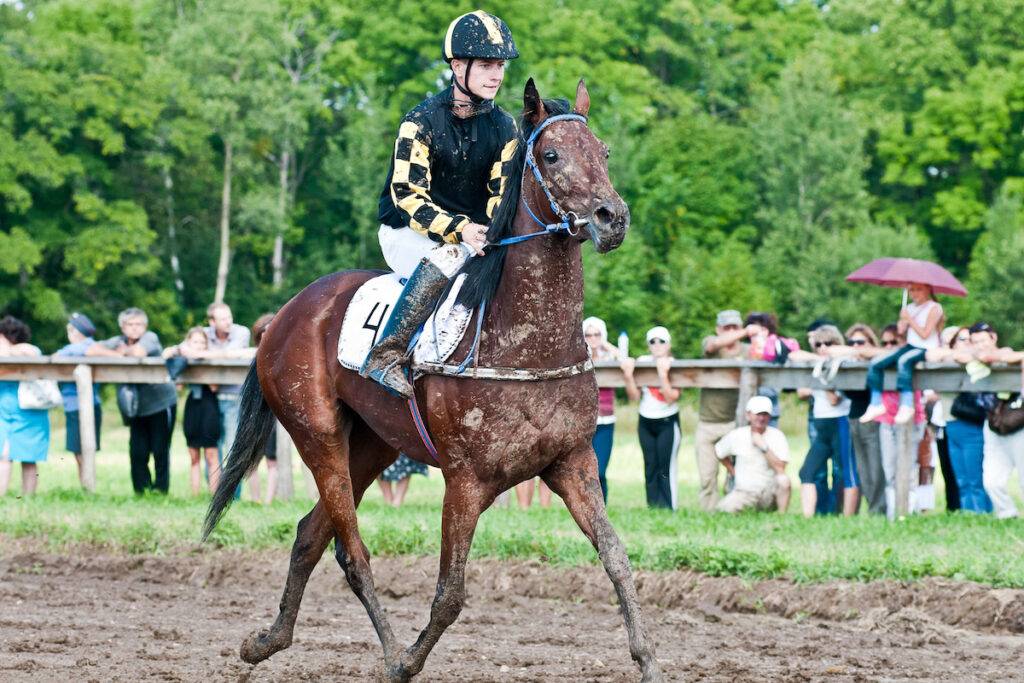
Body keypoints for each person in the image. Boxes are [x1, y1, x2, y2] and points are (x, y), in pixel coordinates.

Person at [360, 11, 520, 399]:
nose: (496, 75)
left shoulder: (507, 127)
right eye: (485, 65)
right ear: (456, 65)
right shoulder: (419, 123)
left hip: (472, 236)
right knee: (449, 259)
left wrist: (492, 233)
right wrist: (462, 230)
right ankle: (385, 354)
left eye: (499, 65)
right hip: (405, 232)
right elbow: (408, 198)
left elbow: (501, 196)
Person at [87, 308, 178, 494]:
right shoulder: (116, 342)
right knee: (138, 451)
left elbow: (138, 352)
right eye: (130, 325)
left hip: (161, 403)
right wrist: (119, 355)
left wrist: (124, 352)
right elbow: (91, 350)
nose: (135, 329)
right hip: (136, 407)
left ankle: (160, 491)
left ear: (145, 327)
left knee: (160, 450)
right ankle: (141, 491)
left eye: (139, 324)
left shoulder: (151, 337)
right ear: (122, 327)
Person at [860, 282, 944, 425]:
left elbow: (925, 334)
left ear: (928, 289)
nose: (915, 293)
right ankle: (875, 403)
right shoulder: (909, 308)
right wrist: (902, 322)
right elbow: (902, 332)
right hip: (910, 346)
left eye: (919, 289)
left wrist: (909, 319)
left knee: (904, 361)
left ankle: (907, 404)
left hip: (926, 348)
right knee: (877, 363)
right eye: (912, 290)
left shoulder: (934, 308)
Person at [797, 325, 857, 517]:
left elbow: (834, 399)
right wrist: (818, 360)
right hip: (821, 424)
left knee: (846, 472)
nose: (822, 348)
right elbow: (794, 356)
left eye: (828, 344)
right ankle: (808, 517)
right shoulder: (817, 364)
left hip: (839, 423)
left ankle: (848, 516)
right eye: (818, 344)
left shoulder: (842, 365)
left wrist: (821, 380)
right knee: (807, 472)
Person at [869, 324, 927, 519]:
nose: (889, 346)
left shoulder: (909, 362)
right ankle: (893, 514)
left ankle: (908, 512)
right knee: (890, 470)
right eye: (884, 342)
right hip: (887, 420)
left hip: (912, 420)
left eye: (894, 342)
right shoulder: (883, 363)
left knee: (909, 469)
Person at [696, 309, 751, 511]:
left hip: (735, 422)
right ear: (718, 329)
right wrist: (745, 331)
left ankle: (732, 510)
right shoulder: (712, 342)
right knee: (707, 476)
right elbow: (712, 345)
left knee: (736, 473)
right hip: (707, 422)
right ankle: (708, 514)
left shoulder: (748, 350)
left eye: (734, 327)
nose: (730, 331)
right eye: (726, 327)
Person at [621, 326, 680, 510]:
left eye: (661, 341)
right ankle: (653, 506)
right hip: (646, 419)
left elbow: (671, 398)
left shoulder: (674, 363)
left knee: (665, 466)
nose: (657, 345)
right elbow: (634, 397)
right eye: (652, 341)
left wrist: (663, 374)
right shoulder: (642, 362)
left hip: (667, 420)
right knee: (650, 465)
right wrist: (628, 375)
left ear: (668, 344)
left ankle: (669, 506)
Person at [0, 316, 50, 496]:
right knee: (3, 456)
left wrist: (7, 347)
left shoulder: (28, 350)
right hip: (4, 410)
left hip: (29, 409)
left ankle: (28, 497)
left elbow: (33, 352)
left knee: (28, 457)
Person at [714, 396, 791, 513]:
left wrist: (763, 446)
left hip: (769, 492)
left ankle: (781, 514)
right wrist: (733, 470)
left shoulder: (777, 436)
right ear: (748, 415)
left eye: (765, 414)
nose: (761, 418)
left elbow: (781, 469)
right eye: (758, 414)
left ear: (769, 416)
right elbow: (719, 452)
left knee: (784, 480)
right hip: (745, 492)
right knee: (722, 511)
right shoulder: (737, 435)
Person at [169, 327, 221, 496]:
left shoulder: (211, 360)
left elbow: (214, 387)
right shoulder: (184, 359)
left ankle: (214, 495)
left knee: (211, 454)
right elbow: (179, 386)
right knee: (193, 455)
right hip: (193, 403)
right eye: (195, 342)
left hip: (209, 403)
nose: (199, 345)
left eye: (202, 342)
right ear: (188, 343)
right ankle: (195, 494)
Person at [54, 312, 102, 488]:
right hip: (73, 405)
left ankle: (87, 485)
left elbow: (59, 356)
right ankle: (85, 485)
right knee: (79, 451)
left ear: (74, 332)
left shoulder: (85, 348)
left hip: (80, 405)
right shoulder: (75, 349)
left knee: (83, 452)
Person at [584, 316, 618, 502]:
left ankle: (602, 505)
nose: (592, 338)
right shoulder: (581, 358)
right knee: (586, 469)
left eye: (597, 334)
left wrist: (604, 344)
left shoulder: (610, 357)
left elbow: (623, 356)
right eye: (588, 334)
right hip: (585, 422)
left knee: (601, 469)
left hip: (605, 421)